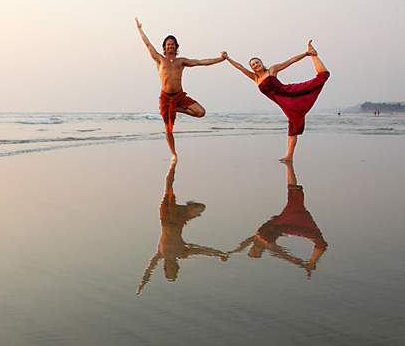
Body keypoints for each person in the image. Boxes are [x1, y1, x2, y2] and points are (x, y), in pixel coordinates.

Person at [222, 41, 329, 162]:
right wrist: (227, 58)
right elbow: (240, 68)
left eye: (257, 62)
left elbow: (291, 61)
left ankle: (315, 56)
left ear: (262, 63)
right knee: (293, 128)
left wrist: (307, 54)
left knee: (322, 77)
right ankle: (289, 156)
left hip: (291, 93)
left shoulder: (272, 70)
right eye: (253, 65)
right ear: (252, 68)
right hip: (285, 105)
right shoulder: (256, 78)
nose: (256, 65)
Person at [136, 17, 225, 161]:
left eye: (173, 44)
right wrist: (140, 29)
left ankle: (176, 108)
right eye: (168, 44)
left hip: (179, 96)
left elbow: (201, 62)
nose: (170, 46)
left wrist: (220, 59)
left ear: (176, 47)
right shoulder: (159, 59)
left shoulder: (181, 61)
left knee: (201, 112)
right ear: (164, 47)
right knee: (168, 128)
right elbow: (148, 44)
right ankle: (173, 154)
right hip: (166, 97)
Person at [137, 162, 228, 295]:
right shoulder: (183, 253)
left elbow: (149, 269)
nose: (172, 267)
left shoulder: (161, 255)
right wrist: (219, 253)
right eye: (174, 270)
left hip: (167, 219)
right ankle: (185, 207)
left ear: (166, 267)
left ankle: (172, 166)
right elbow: (202, 251)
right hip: (180, 221)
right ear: (177, 267)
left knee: (168, 189)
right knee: (201, 207)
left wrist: (142, 283)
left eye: (170, 270)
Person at [228, 161, 327, 279]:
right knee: (318, 239)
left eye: (252, 251)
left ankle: (289, 166)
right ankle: (312, 262)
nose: (253, 251)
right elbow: (285, 256)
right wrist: (301, 264)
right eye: (256, 254)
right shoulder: (269, 245)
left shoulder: (256, 238)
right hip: (289, 223)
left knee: (294, 196)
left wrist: (230, 253)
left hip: (285, 220)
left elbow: (242, 245)